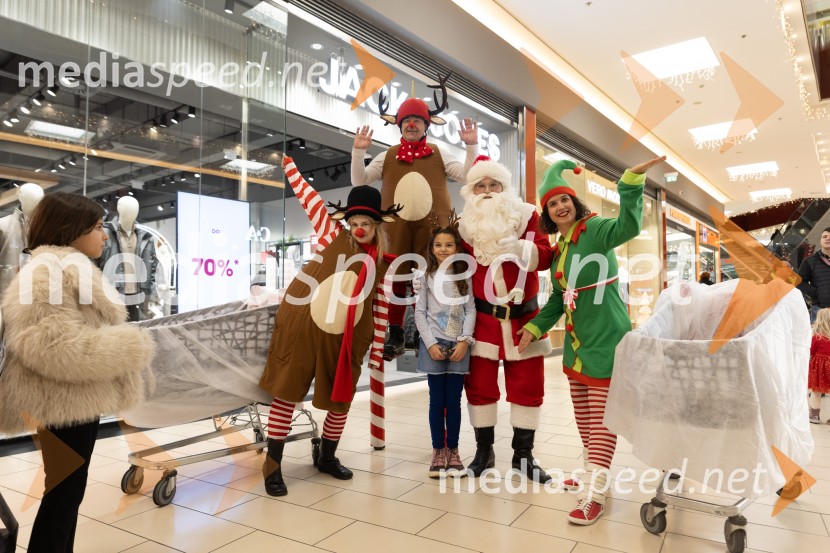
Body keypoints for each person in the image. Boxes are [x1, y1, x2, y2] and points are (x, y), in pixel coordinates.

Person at [0, 192, 155, 551]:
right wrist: (130, 346)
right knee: (63, 495)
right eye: (98, 227)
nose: (104, 235)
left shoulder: (62, 266)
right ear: (72, 229)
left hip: (70, 397)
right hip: (60, 400)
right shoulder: (50, 270)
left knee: (67, 493)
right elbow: (50, 345)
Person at [518, 155, 667, 525]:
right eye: (552, 204)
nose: (560, 206)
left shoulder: (595, 228)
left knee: (602, 421)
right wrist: (534, 328)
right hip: (577, 345)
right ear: (548, 214)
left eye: (564, 199)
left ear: (574, 202)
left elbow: (629, 225)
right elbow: (557, 299)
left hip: (606, 340)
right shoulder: (560, 252)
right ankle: (592, 473)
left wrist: (631, 181)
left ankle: (595, 494)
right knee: (583, 417)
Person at [258, 155, 400, 497]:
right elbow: (308, 195)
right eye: (355, 221)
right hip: (302, 329)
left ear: (377, 224)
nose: (361, 227)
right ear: (347, 221)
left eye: (367, 221)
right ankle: (273, 463)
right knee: (287, 393)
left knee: (341, 399)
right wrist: (291, 166)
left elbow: (380, 306)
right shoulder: (328, 231)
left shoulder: (382, 261)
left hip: (346, 339)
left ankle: (327, 456)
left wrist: (377, 346)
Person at [352, 82, 479, 360]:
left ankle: (433, 334)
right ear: (399, 126)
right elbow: (359, 181)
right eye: (407, 121)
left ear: (426, 125)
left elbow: (467, 175)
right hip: (394, 227)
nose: (412, 125)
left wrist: (471, 146)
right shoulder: (387, 154)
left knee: (434, 280)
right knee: (396, 279)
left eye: (417, 120)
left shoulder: (439, 152)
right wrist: (359, 153)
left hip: (435, 229)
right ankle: (396, 334)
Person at [457, 155, 555, 483]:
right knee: (480, 387)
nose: (487, 191)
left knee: (528, 386)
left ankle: (523, 455)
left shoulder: (527, 216)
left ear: (505, 188)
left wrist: (523, 247)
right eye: (480, 186)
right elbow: (454, 271)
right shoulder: (464, 226)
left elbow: (546, 256)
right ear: (472, 191)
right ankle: (484, 452)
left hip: (524, 319)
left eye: (493, 185)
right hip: (482, 321)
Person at [413, 223, 476, 478]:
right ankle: (438, 450)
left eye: (448, 244)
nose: (443, 249)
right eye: (438, 245)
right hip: (434, 344)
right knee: (436, 401)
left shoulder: (464, 276)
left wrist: (464, 340)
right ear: (431, 248)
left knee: (454, 401)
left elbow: (470, 310)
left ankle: (454, 450)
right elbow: (420, 312)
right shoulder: (426, 277)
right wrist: (430, 344)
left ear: (457, 248)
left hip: (459, 344)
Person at [797, 228, 830, 323]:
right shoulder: (809, 261)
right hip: (820, 309)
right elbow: (799, 282)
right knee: (819, 337)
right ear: (820, 240)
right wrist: (817, 293)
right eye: (825, 237)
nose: (827, 238)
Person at [809, 308, 830, 423]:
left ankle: (814, 415)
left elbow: (811, 352)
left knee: (816, 392)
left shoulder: (816, 337)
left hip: (819, 368)